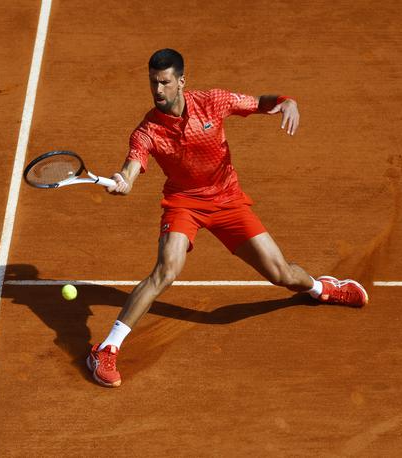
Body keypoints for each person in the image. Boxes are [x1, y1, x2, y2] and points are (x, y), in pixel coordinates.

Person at [86, 48, 368, 388]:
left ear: (181, 82)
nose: (158, 91)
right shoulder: (147, 131)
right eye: (153, 83)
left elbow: (259, 102)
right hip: (184, 204)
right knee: (166, 270)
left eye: (164, 82)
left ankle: (321, 288)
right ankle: (106, 349)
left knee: (281, 274)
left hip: (227, 200)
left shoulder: (213, 101)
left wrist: (286, 101)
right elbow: (132, 165)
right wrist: (124, 181)